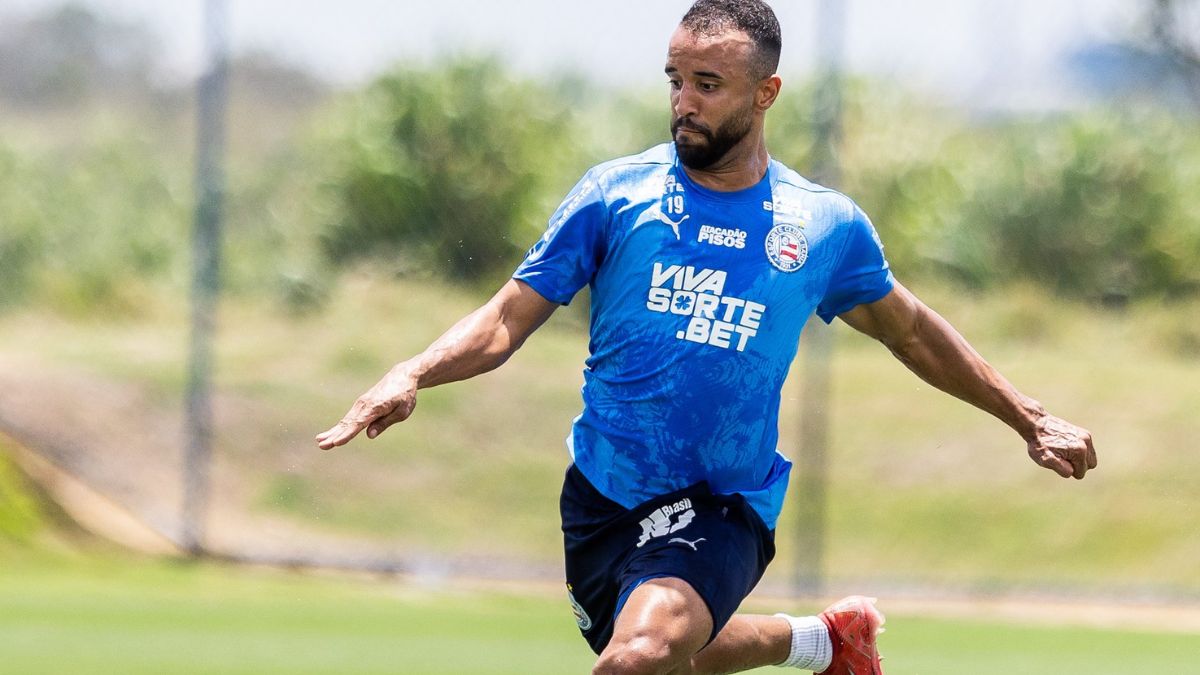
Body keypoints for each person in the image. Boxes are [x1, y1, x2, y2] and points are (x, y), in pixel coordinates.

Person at [316, 1, 1097, 673]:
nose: (683, 101)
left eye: (708, 84)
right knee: (662, 649)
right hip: (604, 497)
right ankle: (825, 641)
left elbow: (914, 332)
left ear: (766, 93)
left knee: (638, 655)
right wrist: (411, 370)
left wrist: (1027, 416)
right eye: (675, 80)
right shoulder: (616, 196)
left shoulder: (821, 225)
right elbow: (503, 319)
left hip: (727, 502)